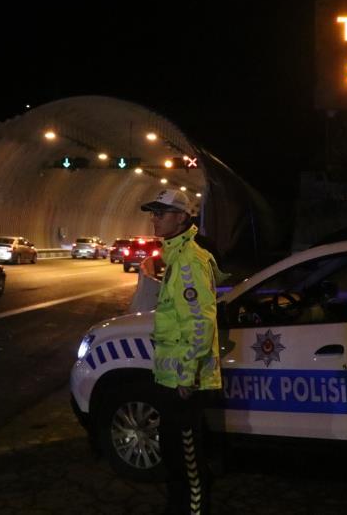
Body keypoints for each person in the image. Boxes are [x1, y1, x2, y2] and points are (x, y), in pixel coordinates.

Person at [140, 188, 223, 515]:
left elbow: (201, 324)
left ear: (182, 217)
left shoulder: (189, 259)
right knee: (174, 453)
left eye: (160, 213)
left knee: (188, 461)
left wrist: (187, 378)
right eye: (153, 212)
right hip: (171, 378)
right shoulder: (176, 254)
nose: (154, 219)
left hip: (182, 384)